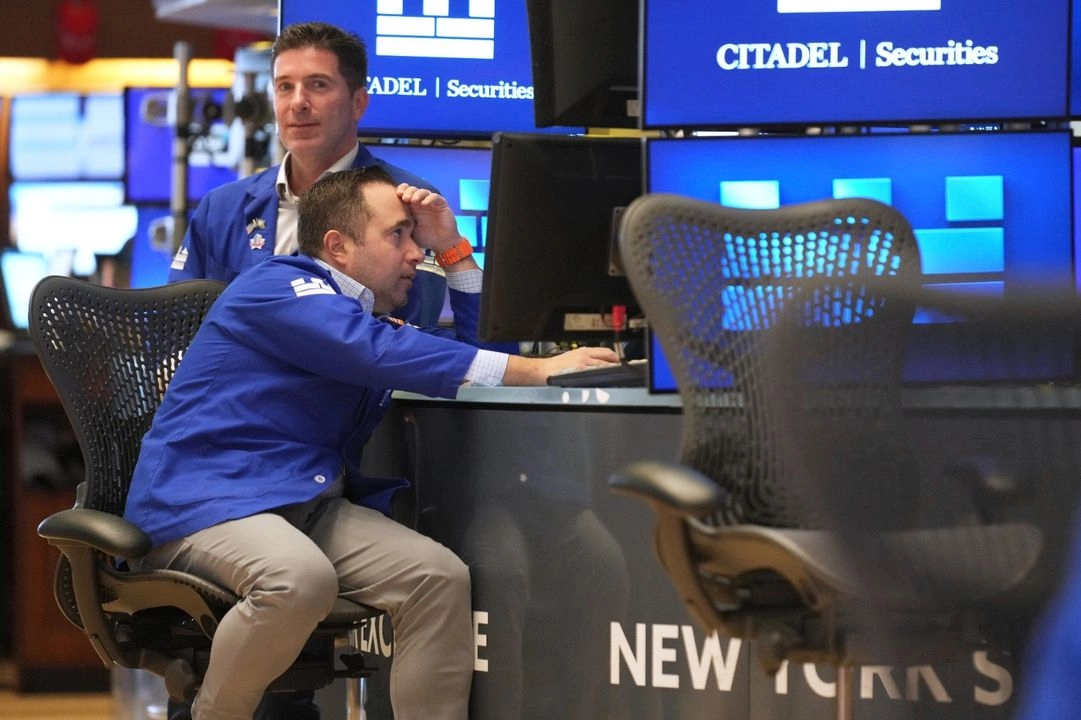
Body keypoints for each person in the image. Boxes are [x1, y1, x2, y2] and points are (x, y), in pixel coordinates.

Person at [124, 166, 617, 720]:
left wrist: (453, 249)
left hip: (299, 507)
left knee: (438, 576)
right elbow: (378, 354)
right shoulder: (281, 285)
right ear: (337, 246)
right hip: (201, 504)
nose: (415, 254)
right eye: (398, 235)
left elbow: (472, 353)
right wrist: (541, 370)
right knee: (299, 580)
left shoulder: (366, 316)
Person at [168, 21, 460, 331]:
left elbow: (415, 332)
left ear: (358, 103)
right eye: (284, 87)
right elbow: (175, 326)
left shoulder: (407, 198)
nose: (298, 103)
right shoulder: (223, 207)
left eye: (318, 84)